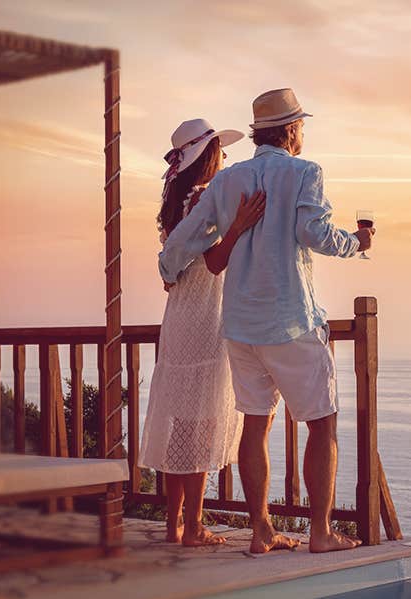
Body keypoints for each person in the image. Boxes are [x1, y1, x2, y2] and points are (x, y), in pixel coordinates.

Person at [159, 89, 373, 553]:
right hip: (290, 319)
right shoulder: (304, 173)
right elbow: (312, 233)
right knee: (322, 423)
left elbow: (184, 239)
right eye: (302, 127)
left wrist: (167, 270)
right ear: (292, 130)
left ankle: (261, 530)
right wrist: (357, 242)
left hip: (240, 326)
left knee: (255, 425)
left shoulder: (227, 180)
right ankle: (320, 533)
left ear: (260, 133)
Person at [140, 118, 265, 546]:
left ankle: (176, 523)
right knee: (202, 422)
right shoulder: (205, 199)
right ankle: (193, 526)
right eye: (221, 152)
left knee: (179, 419)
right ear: (208, 156)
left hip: (178, 314)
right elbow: (214, 262)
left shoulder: (175, 200)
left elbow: (173, 268)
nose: (226, 159)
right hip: (206, 313)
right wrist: (238, 227)